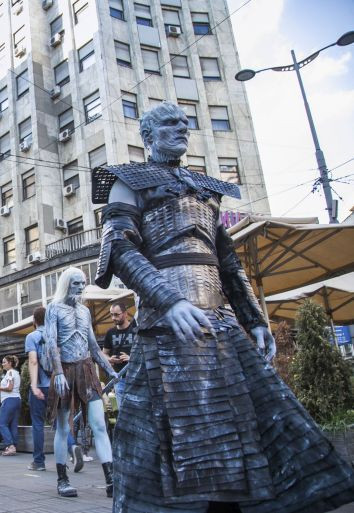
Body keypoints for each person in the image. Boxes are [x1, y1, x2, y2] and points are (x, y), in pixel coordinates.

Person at [94, 101, 354, 512]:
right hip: (166, 323)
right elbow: (120, 249)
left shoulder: (205, 188)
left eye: (185, 123)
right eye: (170, 123)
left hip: (222, 322)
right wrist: (169, 300)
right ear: (147, 135)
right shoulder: (127, 182)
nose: (182, 128)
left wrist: (255, 319)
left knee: (251, 421)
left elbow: (227, 261)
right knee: (170, 433)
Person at [46, 268, 117, 498]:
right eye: (76, 283)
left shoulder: (85, 311)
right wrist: (58, 372)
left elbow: (93, 346)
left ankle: (111, 480)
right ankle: (62, 479)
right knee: (63, 428)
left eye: (83, 283)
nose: (80, 287)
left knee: (99, 424)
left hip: (86, 370)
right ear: (66, 283)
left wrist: (110, 371)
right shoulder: (54, 308)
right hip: (65, 371)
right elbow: (51, 342)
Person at [24, 307, 49, 471]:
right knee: (61, 422)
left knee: (38, 423)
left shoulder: (31, 337)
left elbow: (33, 361)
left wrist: (33, 385)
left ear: (34, 320)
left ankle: (39, 462)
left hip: (40, 387)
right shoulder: (56, 335)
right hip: (57, 385)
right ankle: (72, 446)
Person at [101, 301, 137, 407]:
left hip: (136, 377)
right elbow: (104, 354)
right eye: (111, 315)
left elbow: (145, 352)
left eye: (116, 314)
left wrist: (131, 358)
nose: (113, 318)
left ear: (125, 314)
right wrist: (110, 359)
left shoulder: (135, 330)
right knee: (122, 410)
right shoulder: (110, 333)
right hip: (119, 378)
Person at [0, 355, 21, 456]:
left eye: (4, 362)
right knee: (13, 424)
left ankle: (10, 446)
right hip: (17, 400)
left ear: (10, 363)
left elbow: (10, 388)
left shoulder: (10, 372)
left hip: (9, 400)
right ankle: (13, 446)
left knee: (2, 423)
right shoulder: (16, 373)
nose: (2, 364)